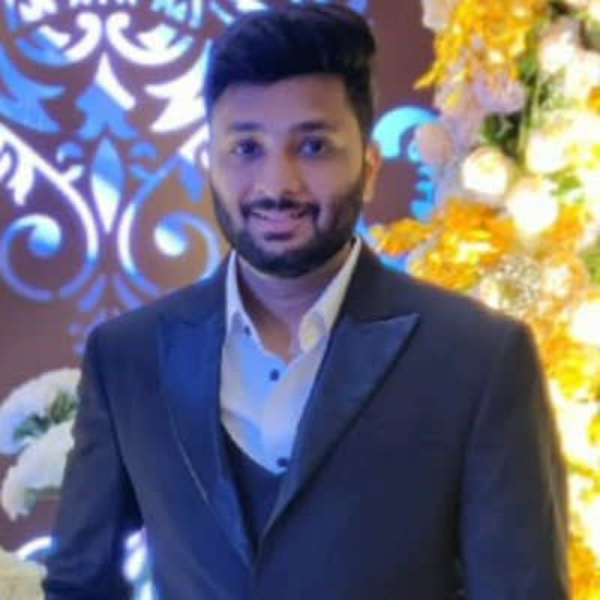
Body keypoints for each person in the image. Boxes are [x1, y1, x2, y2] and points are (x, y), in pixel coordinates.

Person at [43, 5, 569, 599]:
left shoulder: (479, 357)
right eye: (246, 148)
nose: (277, 184)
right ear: (210, 163)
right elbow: (79, 585)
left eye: (314, 146)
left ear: (369, 166)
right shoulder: (127, 357)